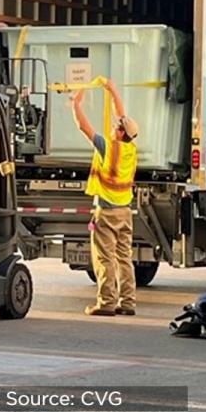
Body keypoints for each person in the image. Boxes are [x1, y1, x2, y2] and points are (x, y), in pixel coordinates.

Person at [69, 81, 140, 316]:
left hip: (107, 213)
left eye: (116, 126)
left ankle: (107, 303)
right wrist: (112, 90)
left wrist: (76, 103)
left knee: (104, 258)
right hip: (125, 212)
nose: (113, 126)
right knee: (124, 258)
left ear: (120, 133)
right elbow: (122, 116)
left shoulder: (107, 147)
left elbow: (82, 126)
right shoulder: (131, 149)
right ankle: (128, 302)